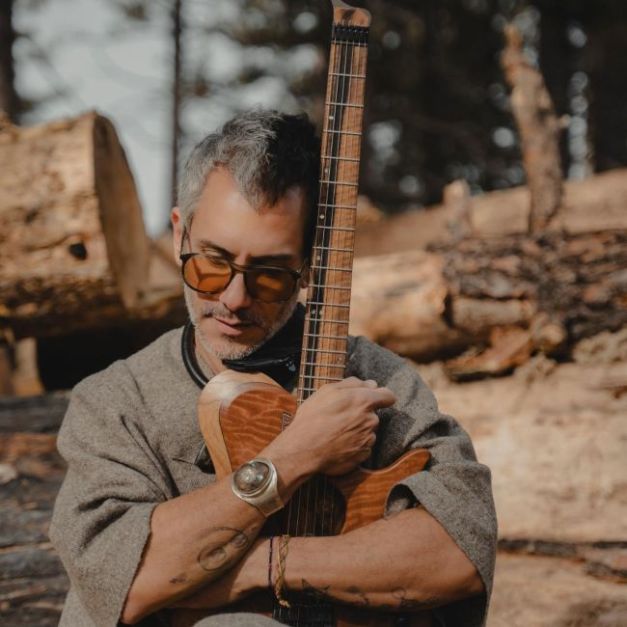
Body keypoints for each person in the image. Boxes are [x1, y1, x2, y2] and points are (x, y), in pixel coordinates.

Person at [50, 109, 497, 627]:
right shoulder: (115, 402)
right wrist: (294, 456)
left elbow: (459, 552)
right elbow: (121, 581)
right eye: (212, 263)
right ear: (179, 236)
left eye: (270, 275)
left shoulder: (378, 379)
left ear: (308, 268)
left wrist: (264, 566)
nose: (234, 299)